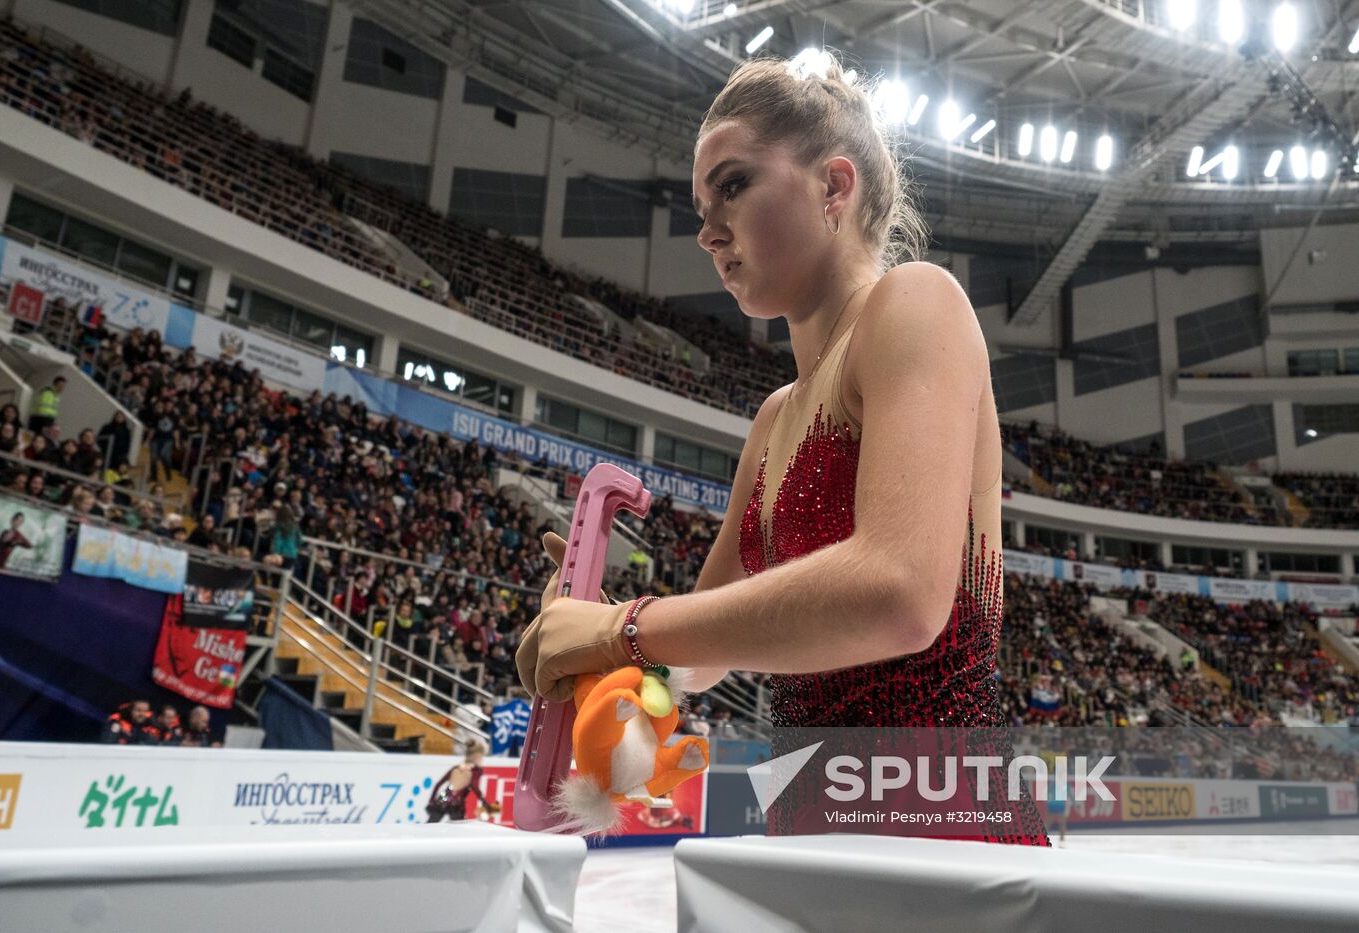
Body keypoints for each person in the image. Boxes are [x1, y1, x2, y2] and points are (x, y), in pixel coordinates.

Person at [516, 51, 1047, 845]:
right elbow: (699, 659)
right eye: (701, 205)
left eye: (733, 185)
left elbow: (901, 593)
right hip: (807, 836)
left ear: (835, 187)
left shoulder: (917, 302)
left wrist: (624, 627)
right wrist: (597, 641)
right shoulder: (772, 420)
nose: (706, 232)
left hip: (944, 835)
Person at [425, 740, 499, 822]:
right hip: (457, 804)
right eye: (482, 757)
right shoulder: (476, 771)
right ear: (477, 756)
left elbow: (438, 784)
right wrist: (486, 804)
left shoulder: (456, 768)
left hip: (442, 800)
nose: (482, 760)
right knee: (459, 829)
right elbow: (475, 787)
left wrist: (432, 800)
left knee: (430, 824)